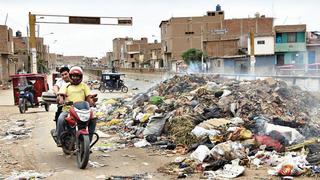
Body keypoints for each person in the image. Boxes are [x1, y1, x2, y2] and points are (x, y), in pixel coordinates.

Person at [55, 66, 96, 147]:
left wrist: (92, 101)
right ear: (70, 76)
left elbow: (89, 97)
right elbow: (61, 95)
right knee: (60, 119)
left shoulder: (84, 86)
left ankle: (88, 142)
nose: (75, 78)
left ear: (81, 77)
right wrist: (61, 100)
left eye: (77, 76)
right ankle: (60, 139)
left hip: (83, 110)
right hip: (68, 110)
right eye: (73, 76)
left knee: (93, 120)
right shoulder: (66, 86)